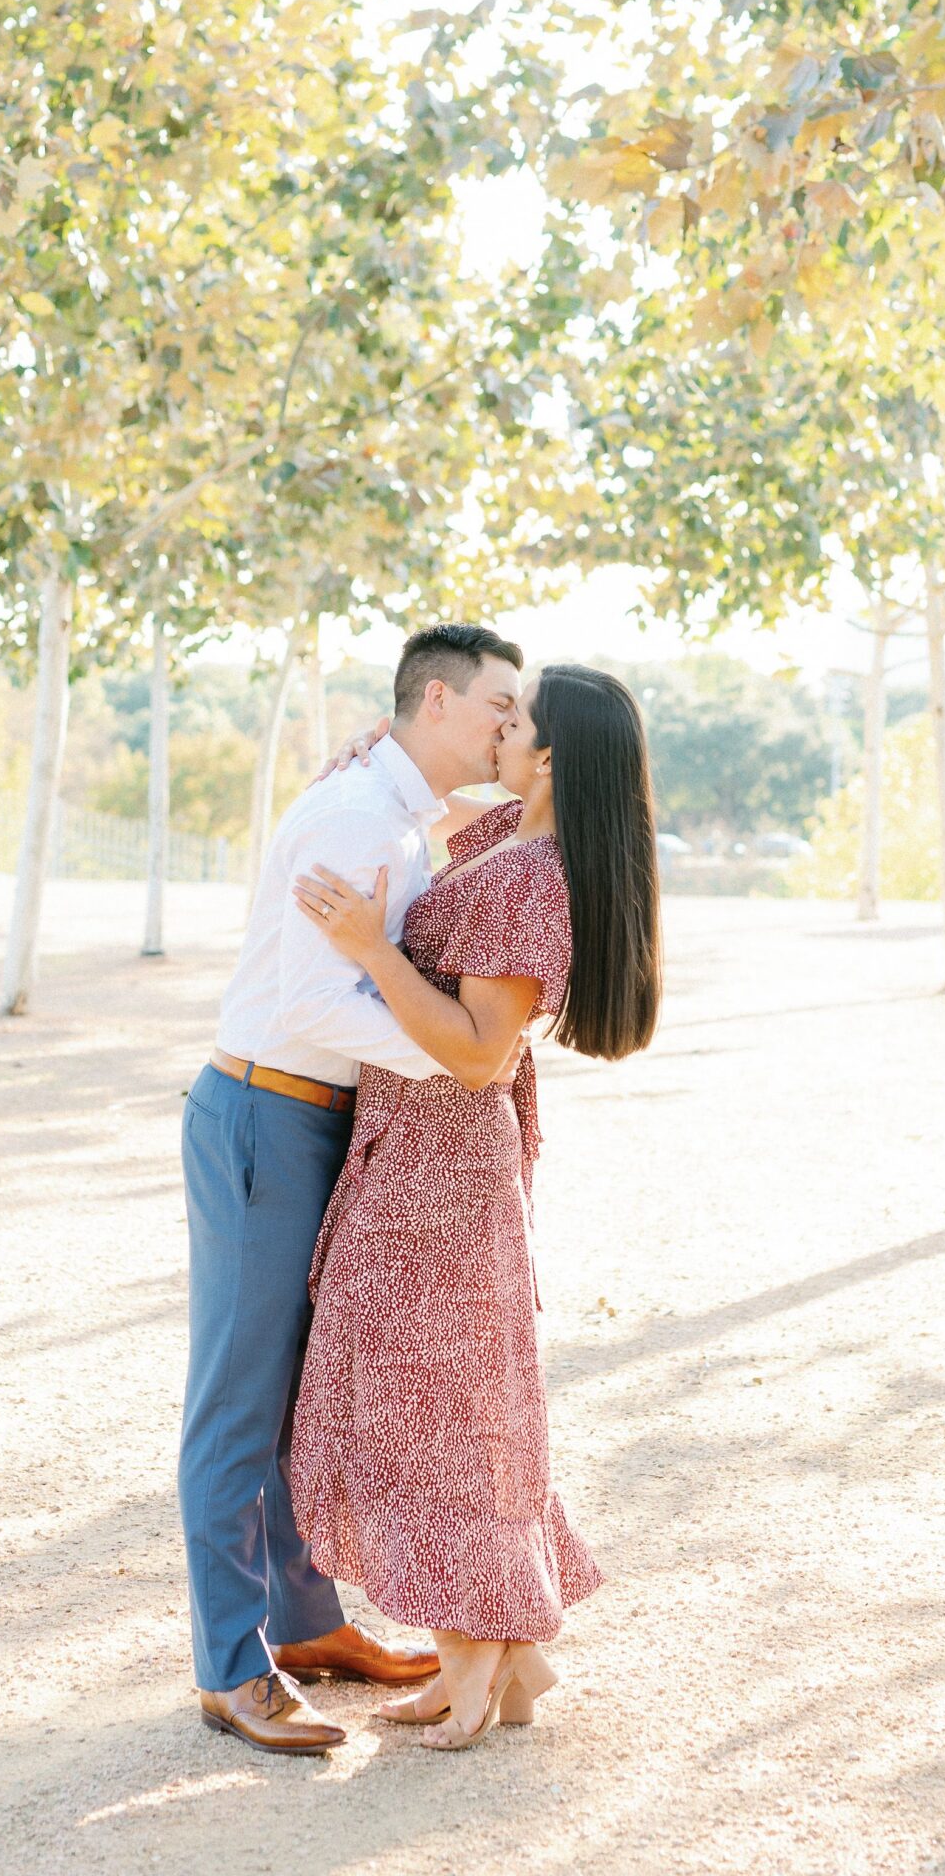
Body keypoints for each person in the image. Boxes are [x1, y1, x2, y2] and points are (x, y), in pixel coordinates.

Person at [180, 622, 539, 1756]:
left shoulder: (391, 812)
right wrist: (468, 1055)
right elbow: (306, 1005)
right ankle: (231, 1669)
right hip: (267, 1109)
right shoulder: (352, 817)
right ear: (433, 701)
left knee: (301, 1388)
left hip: (321, 1119)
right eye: (495, 703)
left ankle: (309, 1624)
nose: (504, 724)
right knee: (239, 1397)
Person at [288, 664, 662, 1750]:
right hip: (412, 1157)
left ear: (547, 755)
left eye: (516, 716)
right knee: (438, 1405)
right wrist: (367, 763)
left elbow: (473, 1051)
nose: (499, 724)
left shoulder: (530, 878)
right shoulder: (505, 836)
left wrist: (364, 947)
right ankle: (502, 1659)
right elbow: (414, 804)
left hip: (442, 1171)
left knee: (436, 1417)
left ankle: (477, 1660)